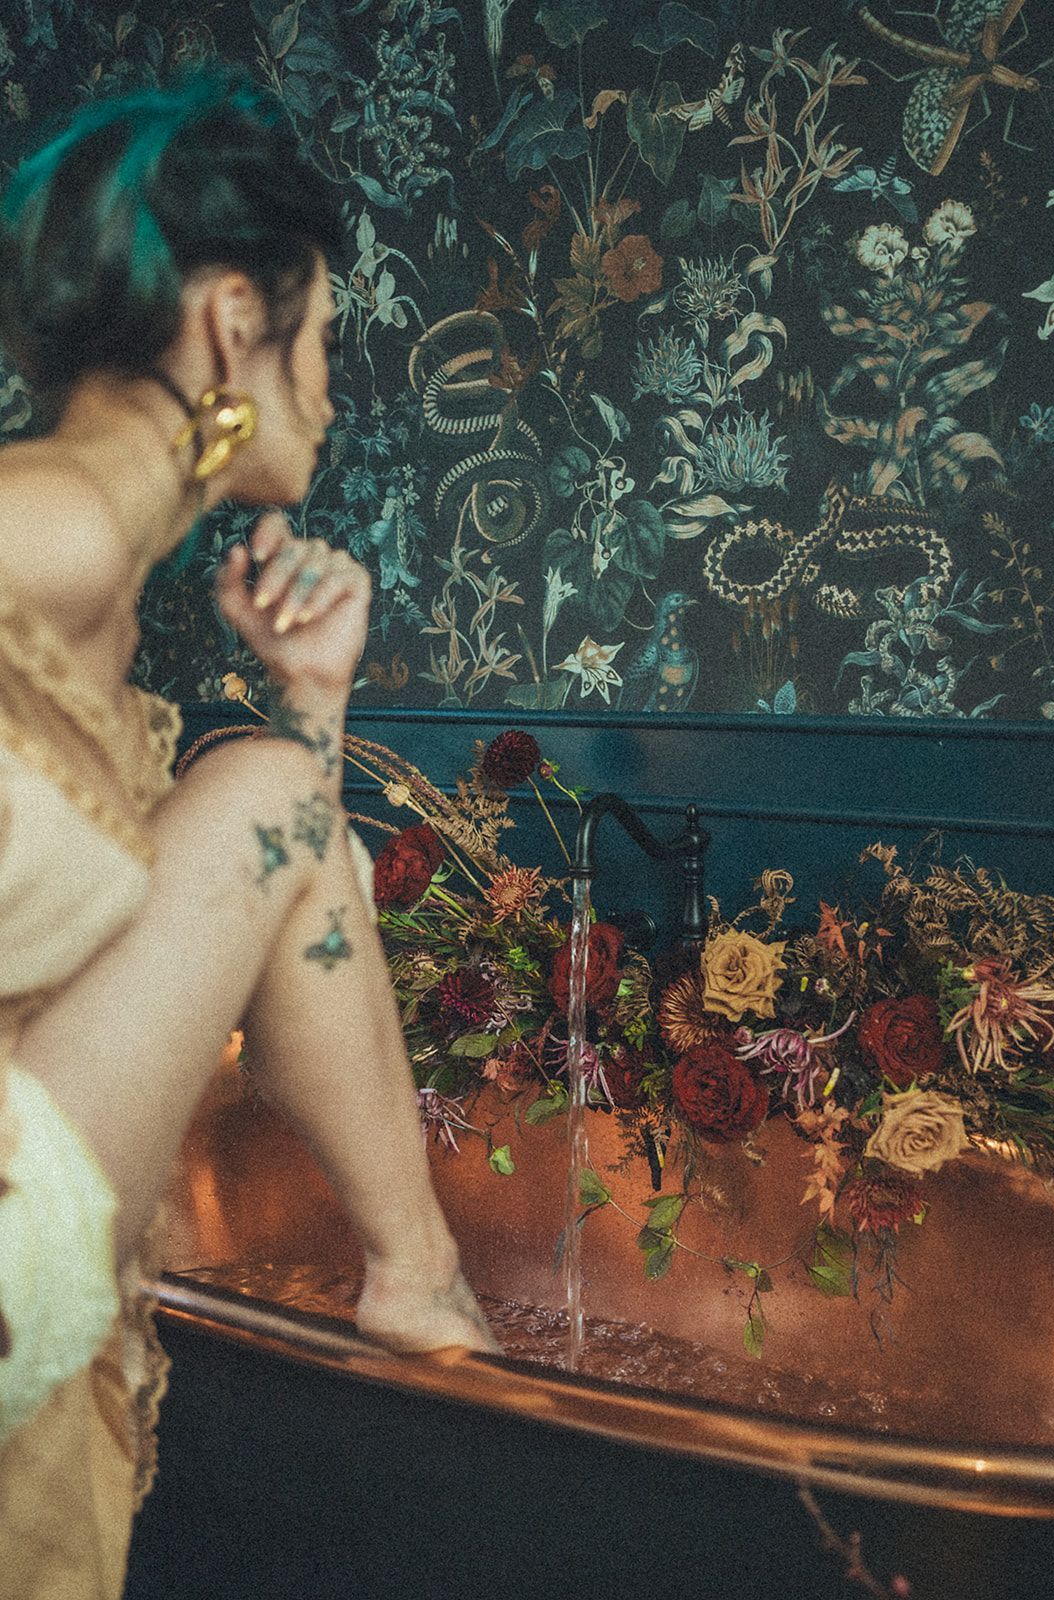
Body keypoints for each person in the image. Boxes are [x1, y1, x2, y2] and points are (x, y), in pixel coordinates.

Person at [0, 68, 497, 1598]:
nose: (335, 392)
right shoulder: (60, 521)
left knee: (281, 791)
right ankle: (424, 1288)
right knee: (271, 795)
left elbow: (289, 953)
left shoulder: (98, 589)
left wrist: (311, 702)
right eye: (327, 340)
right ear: (232, 323)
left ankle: (423, 1283)